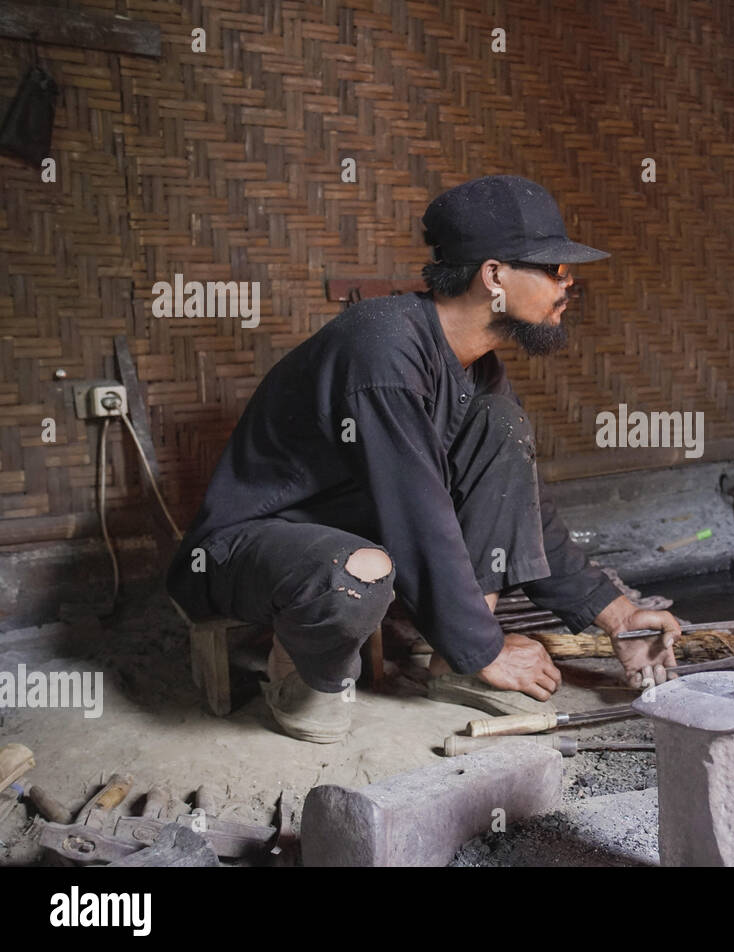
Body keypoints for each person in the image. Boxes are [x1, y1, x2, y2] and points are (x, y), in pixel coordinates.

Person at [166, 175, 680, 743]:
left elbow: (521, 505)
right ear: (494, 276)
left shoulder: (476, 367)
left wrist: (617, 615)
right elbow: (418, 516)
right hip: (256, 545)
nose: (569, 281)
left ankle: (453, 661)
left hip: (363, 533)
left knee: (501, 430)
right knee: (360, 570)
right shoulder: (382, 348)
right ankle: (309, 675)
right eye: (554, 269)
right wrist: (487, 647)